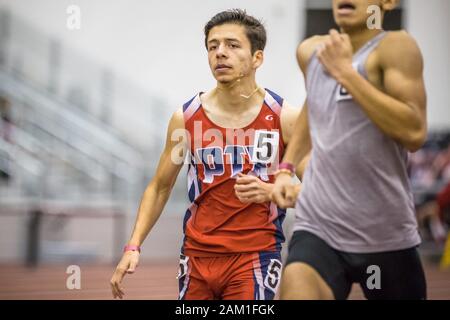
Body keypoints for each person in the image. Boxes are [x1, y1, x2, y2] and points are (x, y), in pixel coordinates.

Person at [110, 9, 300, 300]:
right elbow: (160, 186)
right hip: (196, 256)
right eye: (213, 46)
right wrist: (133, 246)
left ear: (257, 58)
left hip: (255, 255)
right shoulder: (186, 118)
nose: (220, 53)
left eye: (232, 45)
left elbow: (321, 189)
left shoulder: (284, 117)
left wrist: (274, 191)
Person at [271, 0, 428, 300]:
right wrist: (285, 169)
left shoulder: (396, 47)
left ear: (387, 2)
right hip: (319, 226)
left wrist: (347, 73)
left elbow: (414, 132)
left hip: (385, 234)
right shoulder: (312, 52)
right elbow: (313, 107)